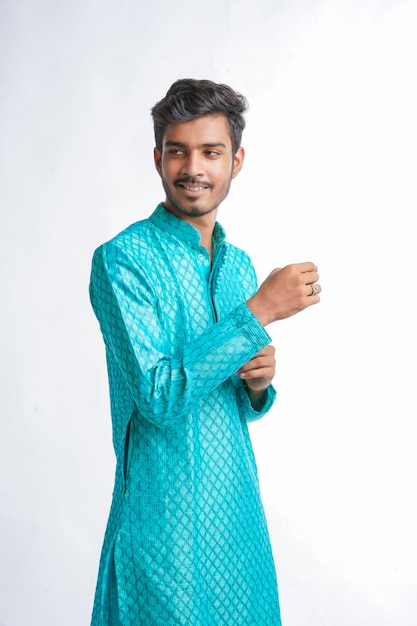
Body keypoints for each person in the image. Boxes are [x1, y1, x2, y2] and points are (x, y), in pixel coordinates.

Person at [89, 78, 320, 626]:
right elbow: (159, 398)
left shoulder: (237, 264)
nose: (193, 167)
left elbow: (234, 402)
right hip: (161, 528)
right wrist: (258, 312)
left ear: (236, 161)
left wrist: (258, 385)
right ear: (158, 158)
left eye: (211, 152)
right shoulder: (122, 261)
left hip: (238, 523)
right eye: (178, 151)